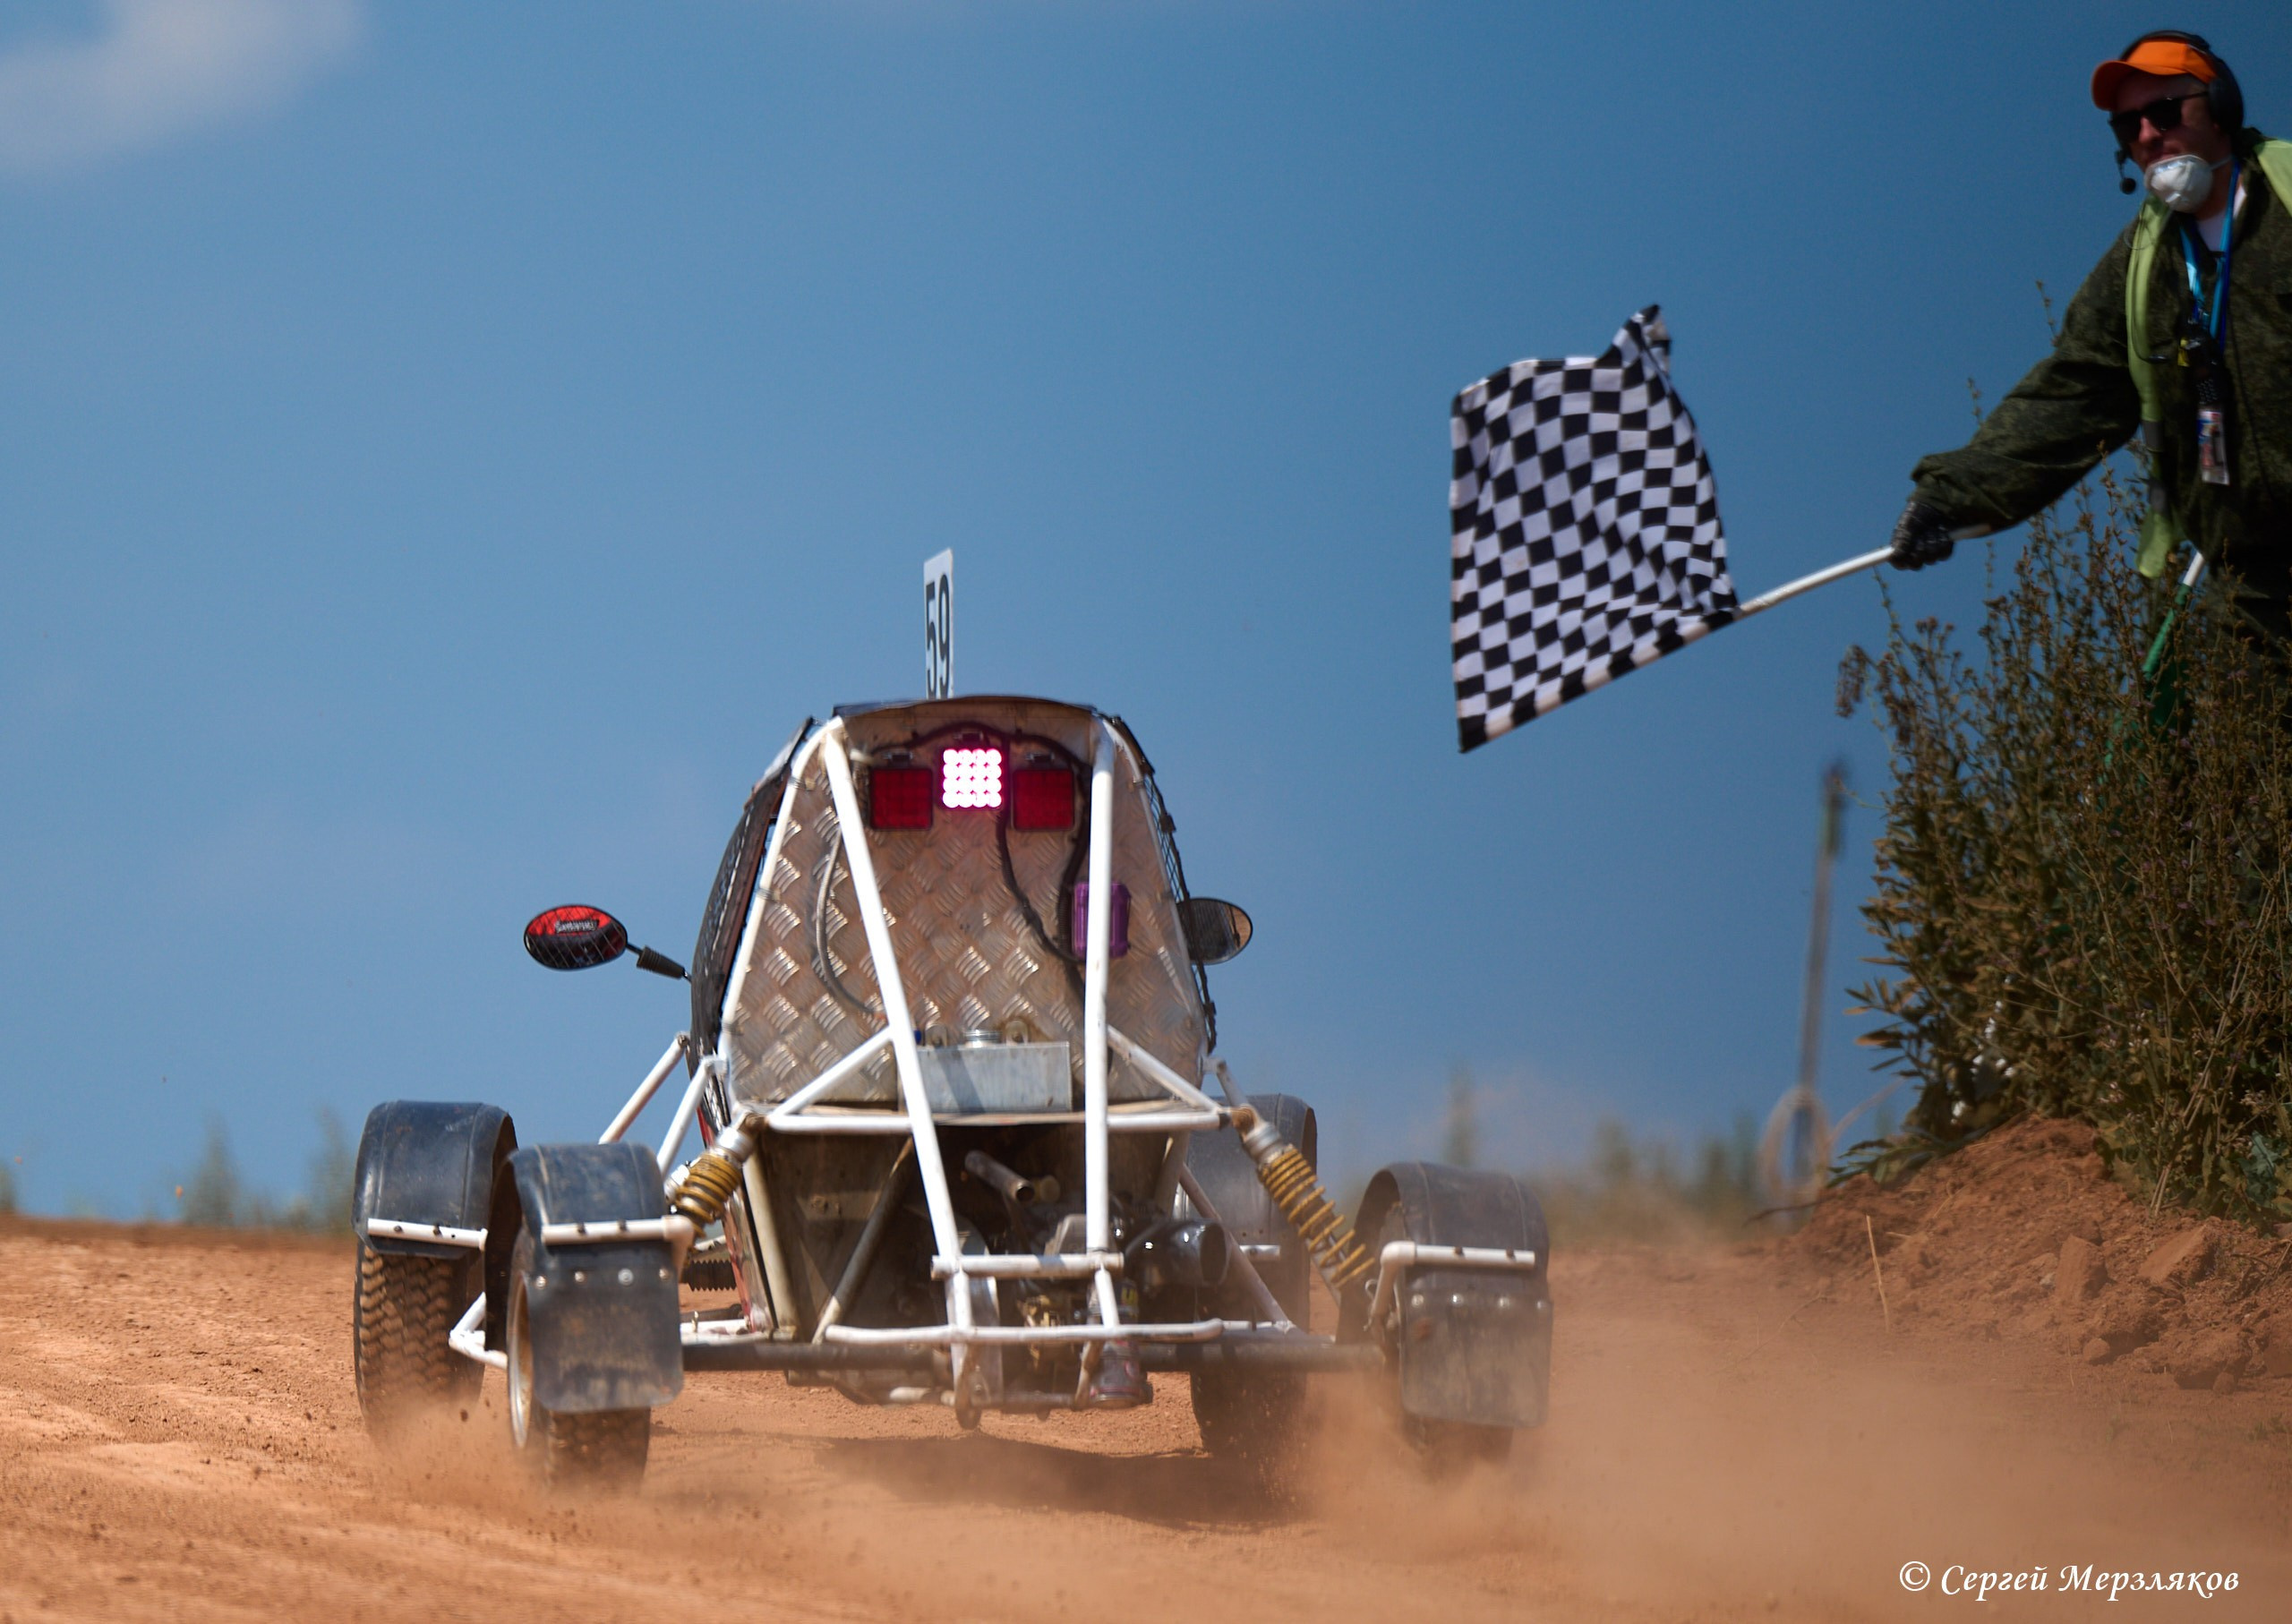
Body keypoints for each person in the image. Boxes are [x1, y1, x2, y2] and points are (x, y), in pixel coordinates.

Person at [1891, 32, 2292, 635]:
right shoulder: (2139, 266)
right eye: (2128, 127)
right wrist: (1950, 496)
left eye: (2164, 111)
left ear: (2220, 105)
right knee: (2212, 722)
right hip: (2252, 585)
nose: (2148, 135)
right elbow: (2073, 394)